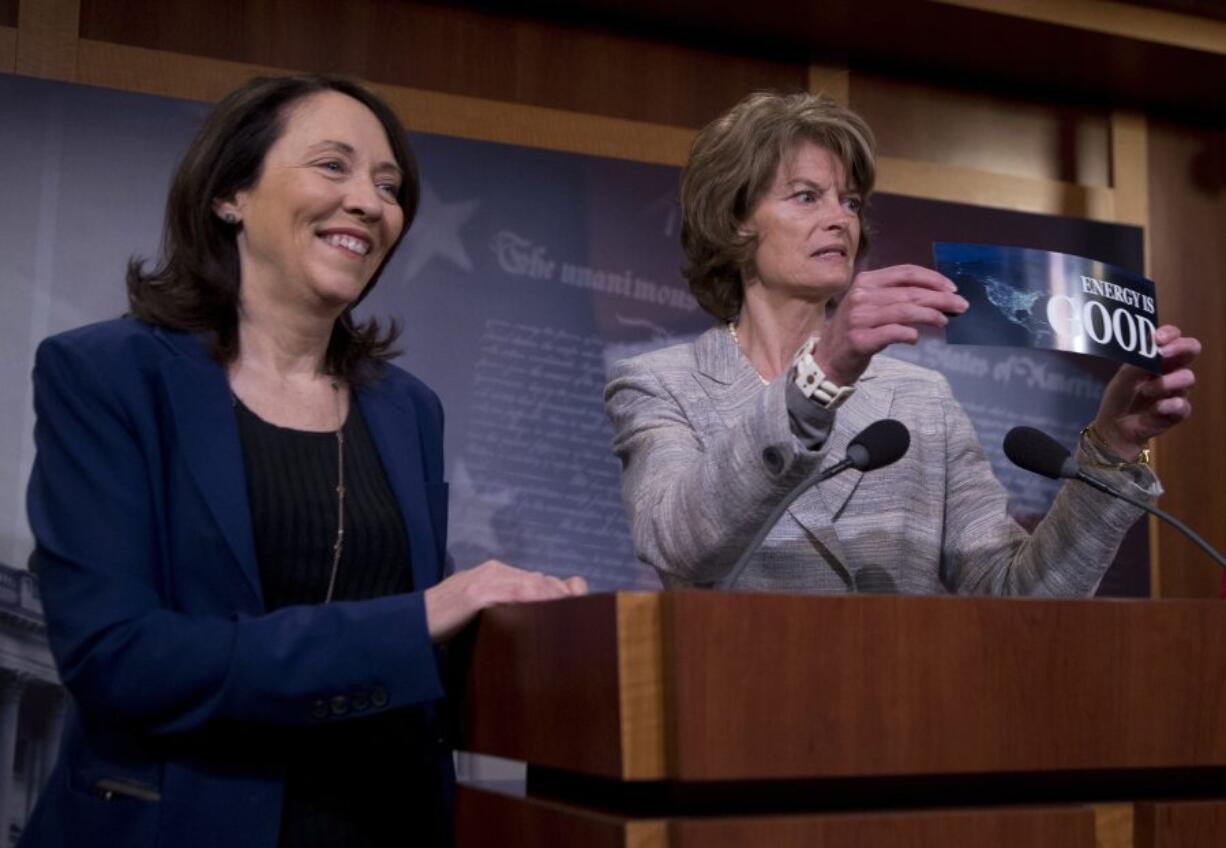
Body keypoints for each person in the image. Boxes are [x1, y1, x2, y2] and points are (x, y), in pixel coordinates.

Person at [23, 74, 585, 848]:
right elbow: (120, 660)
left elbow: (412, 657)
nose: (369, 201)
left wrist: (536, 629)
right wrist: (424, 615)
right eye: (333, 166)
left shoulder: (407, 409)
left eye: (389, 186)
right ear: (230, 195)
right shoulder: (106, 376)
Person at [604, 91, 1200, 594]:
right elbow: (679, 543)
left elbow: (1017, 593)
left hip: (907, 711)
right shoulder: (661, 383)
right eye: (807, 196)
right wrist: (822, 371)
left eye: (851, 201)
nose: (840, 218)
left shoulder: (921, 400)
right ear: (737, 217)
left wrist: (1114, 447)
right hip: (742, 710)